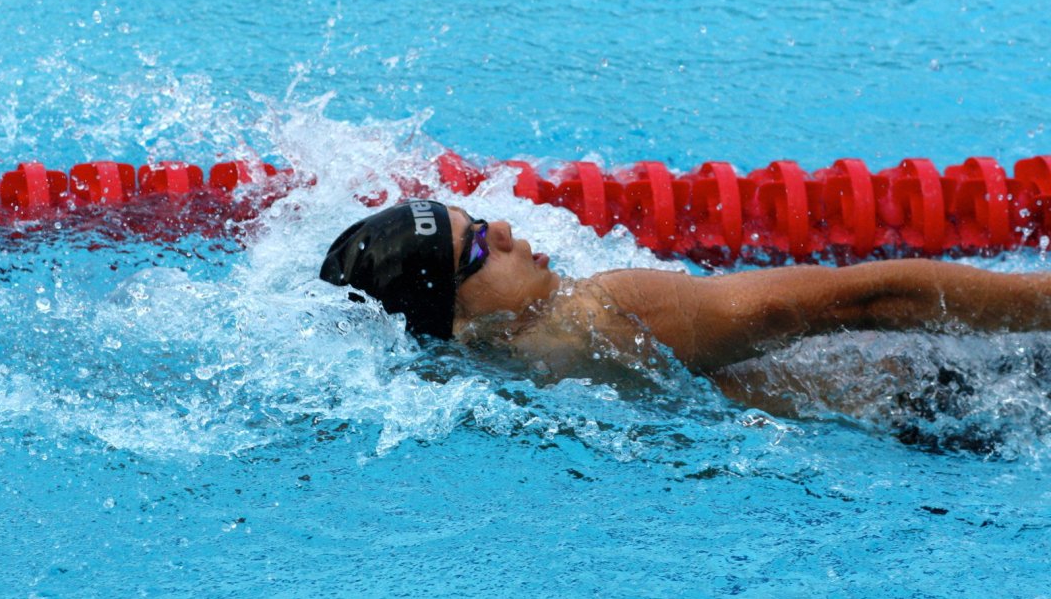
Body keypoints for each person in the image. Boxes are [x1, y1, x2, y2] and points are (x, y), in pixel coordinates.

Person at [320, 201, 1051, 426]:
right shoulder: (609, 310)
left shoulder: (456, 387)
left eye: (479, 219)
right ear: (452, 319)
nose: (504, 230)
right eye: (477, 249)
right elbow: (873, 297)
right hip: (964, 398)